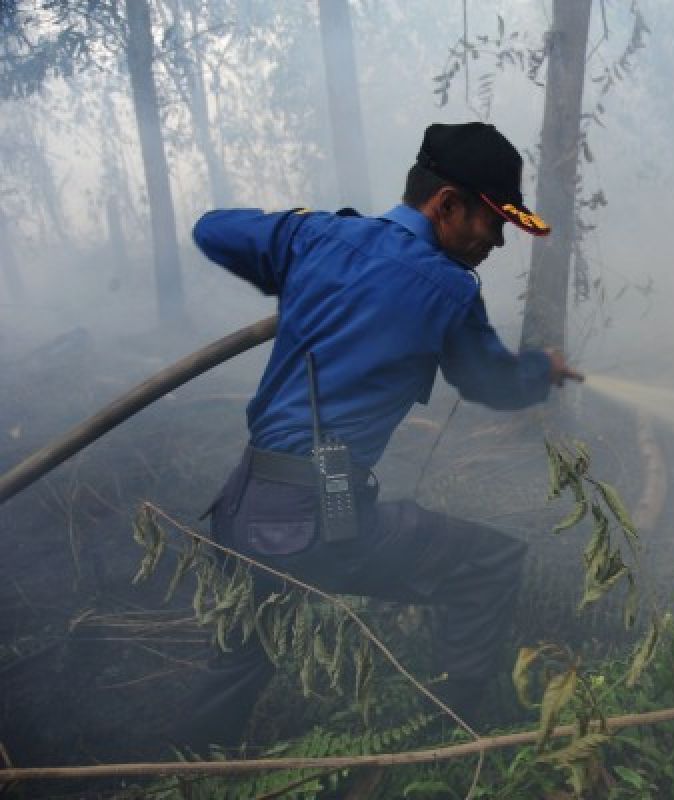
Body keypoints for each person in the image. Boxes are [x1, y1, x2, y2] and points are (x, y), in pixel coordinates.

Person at [180, 122, 581, 750]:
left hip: (239, 509)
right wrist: (543, 371)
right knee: (489, 563)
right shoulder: (446, 289)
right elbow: (494, 383)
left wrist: (301, 248)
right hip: (312, 521)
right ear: (446, 204)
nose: (497, 242)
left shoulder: (316, 237)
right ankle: (442, 742)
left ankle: (190, 769)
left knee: (243, 652)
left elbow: (211, 228)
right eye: (492, 222)